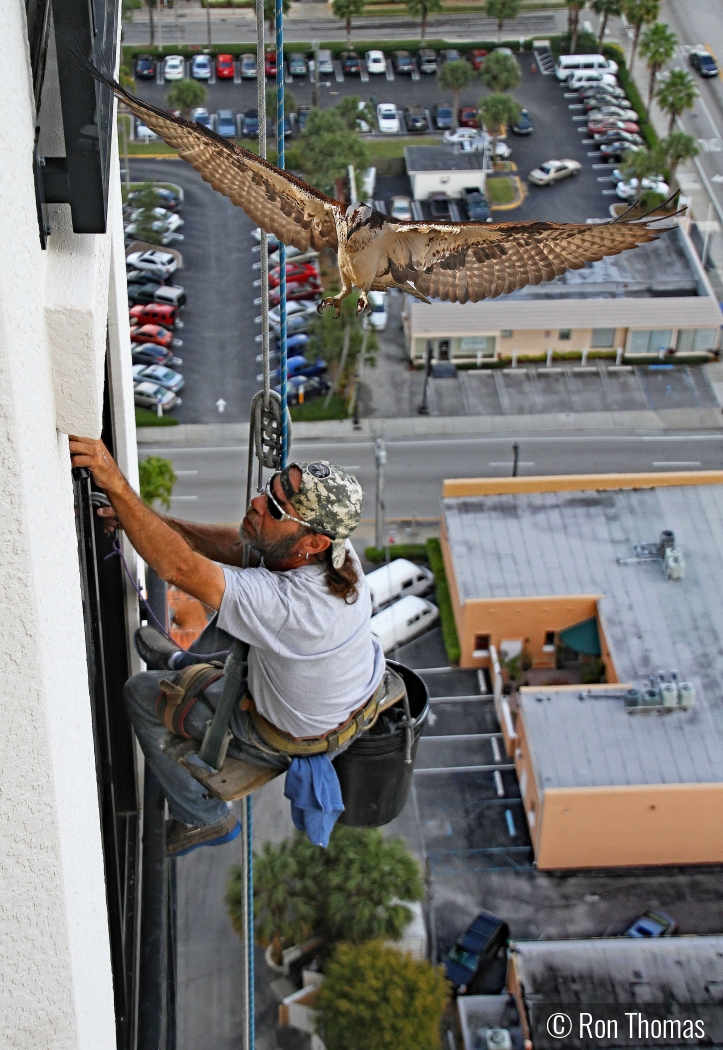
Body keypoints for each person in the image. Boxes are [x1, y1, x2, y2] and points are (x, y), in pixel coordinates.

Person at [68, 437, 385, 856]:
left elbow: (178, 567)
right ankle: (185, 663)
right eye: (270, 489)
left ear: (314, 543)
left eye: (274, 510)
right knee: (238, 601)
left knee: (142, 694)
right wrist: (146, 521)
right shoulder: (337, 558)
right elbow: (241, 548)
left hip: (289, 736)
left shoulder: (289, 606)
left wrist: (116, 484)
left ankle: (204, 819)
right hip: (347, 700)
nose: (257, 503)